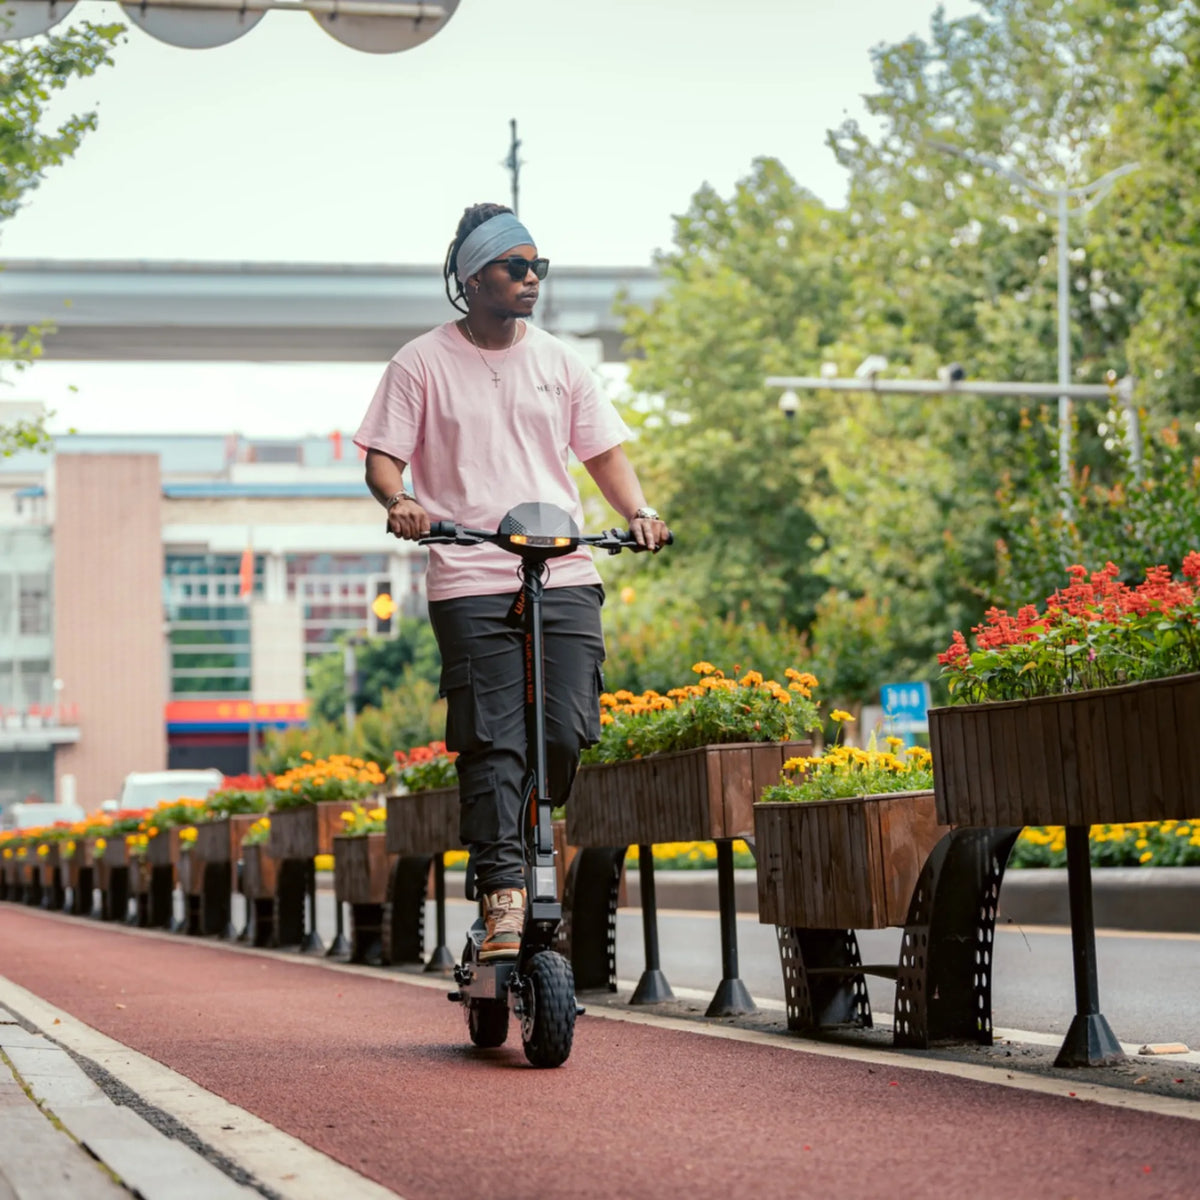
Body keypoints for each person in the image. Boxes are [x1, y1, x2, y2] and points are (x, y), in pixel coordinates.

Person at [354, 202, 669, 960]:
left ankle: (532, 853)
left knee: (563, 731)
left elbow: (603, 456)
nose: (531, 280)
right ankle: (501, 896)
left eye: (539, 268)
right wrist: (400, 502)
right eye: (515, 267)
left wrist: (640, 511)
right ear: (471, 277)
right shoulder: (420, 362)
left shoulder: (559, 361)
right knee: (492, 742)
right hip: (468, 572)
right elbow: (382, 457)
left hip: (562, 569)